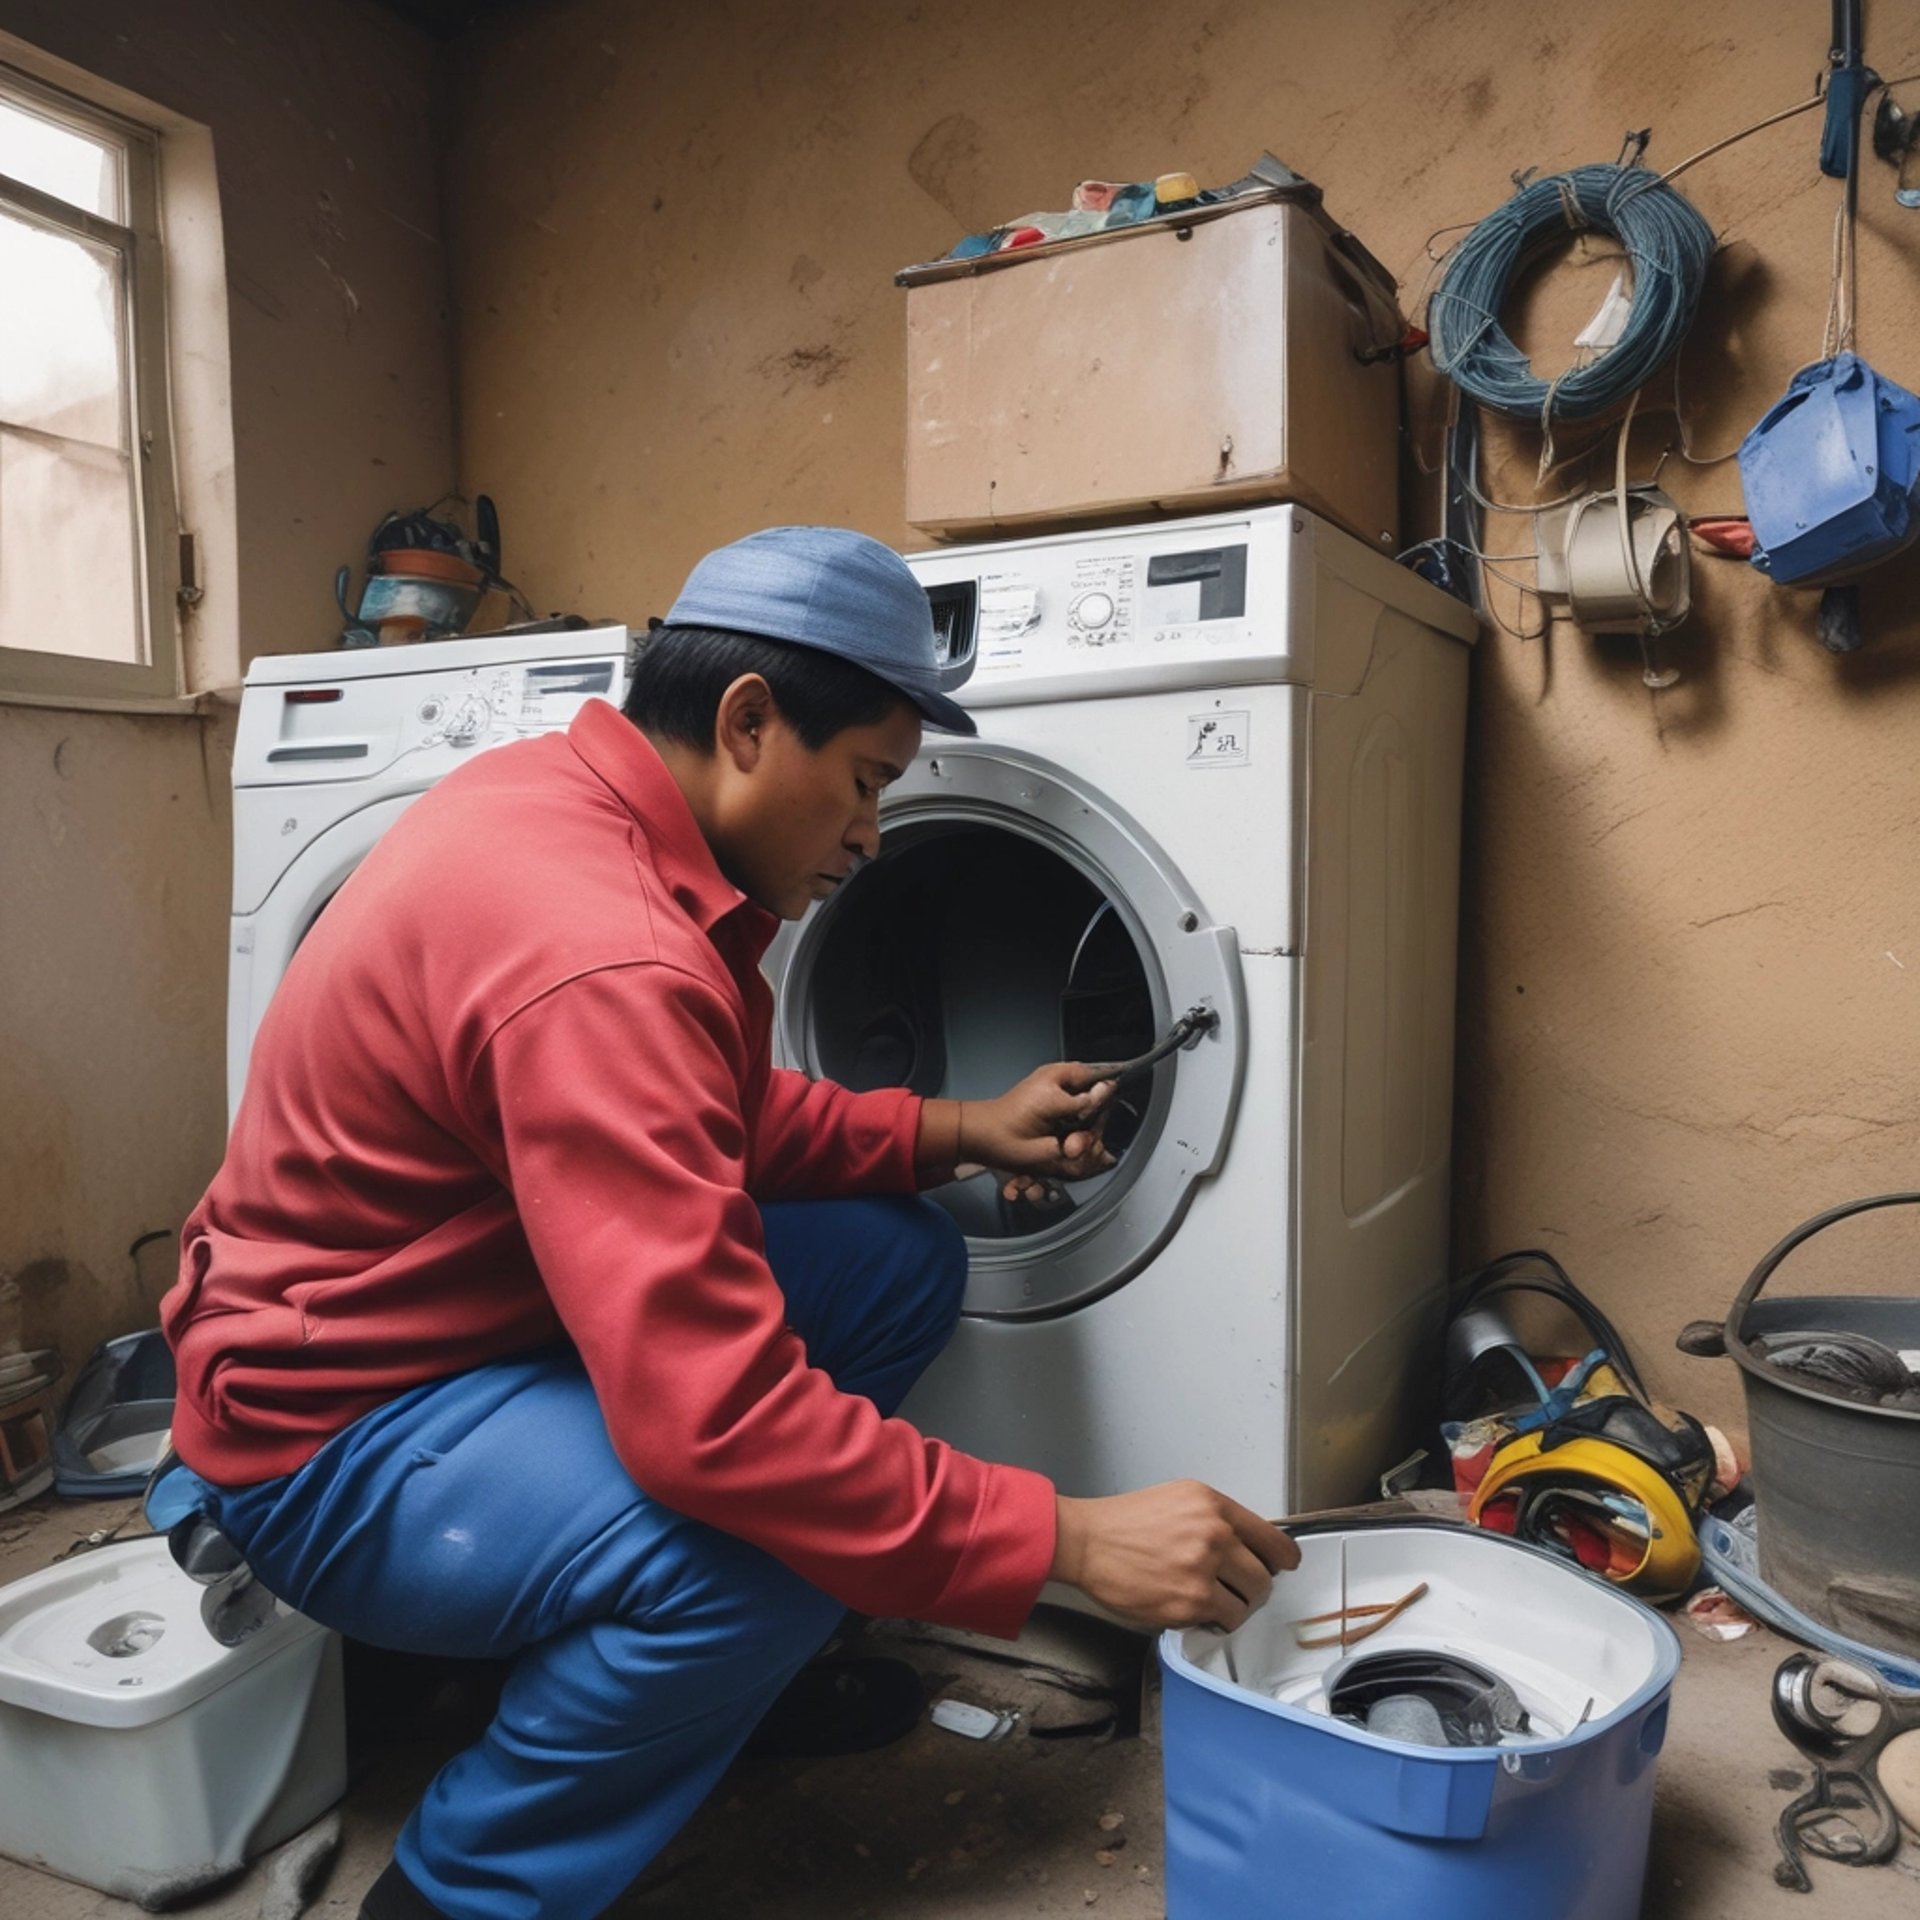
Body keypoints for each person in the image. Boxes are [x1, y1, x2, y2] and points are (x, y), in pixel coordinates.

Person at [152, 526, 1298, 1920]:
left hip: (472, 1317)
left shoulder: (577, 805)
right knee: (762, 1548)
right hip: (334, 1431)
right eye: (867, 782)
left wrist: (951, 1128)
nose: (874, 834)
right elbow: (720, 1430)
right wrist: (1070, 1538)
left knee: (892, 1260)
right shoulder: (606, 946)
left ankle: (697, 1690)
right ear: (749, 721)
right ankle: (464, 1893)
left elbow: (706, 1129)